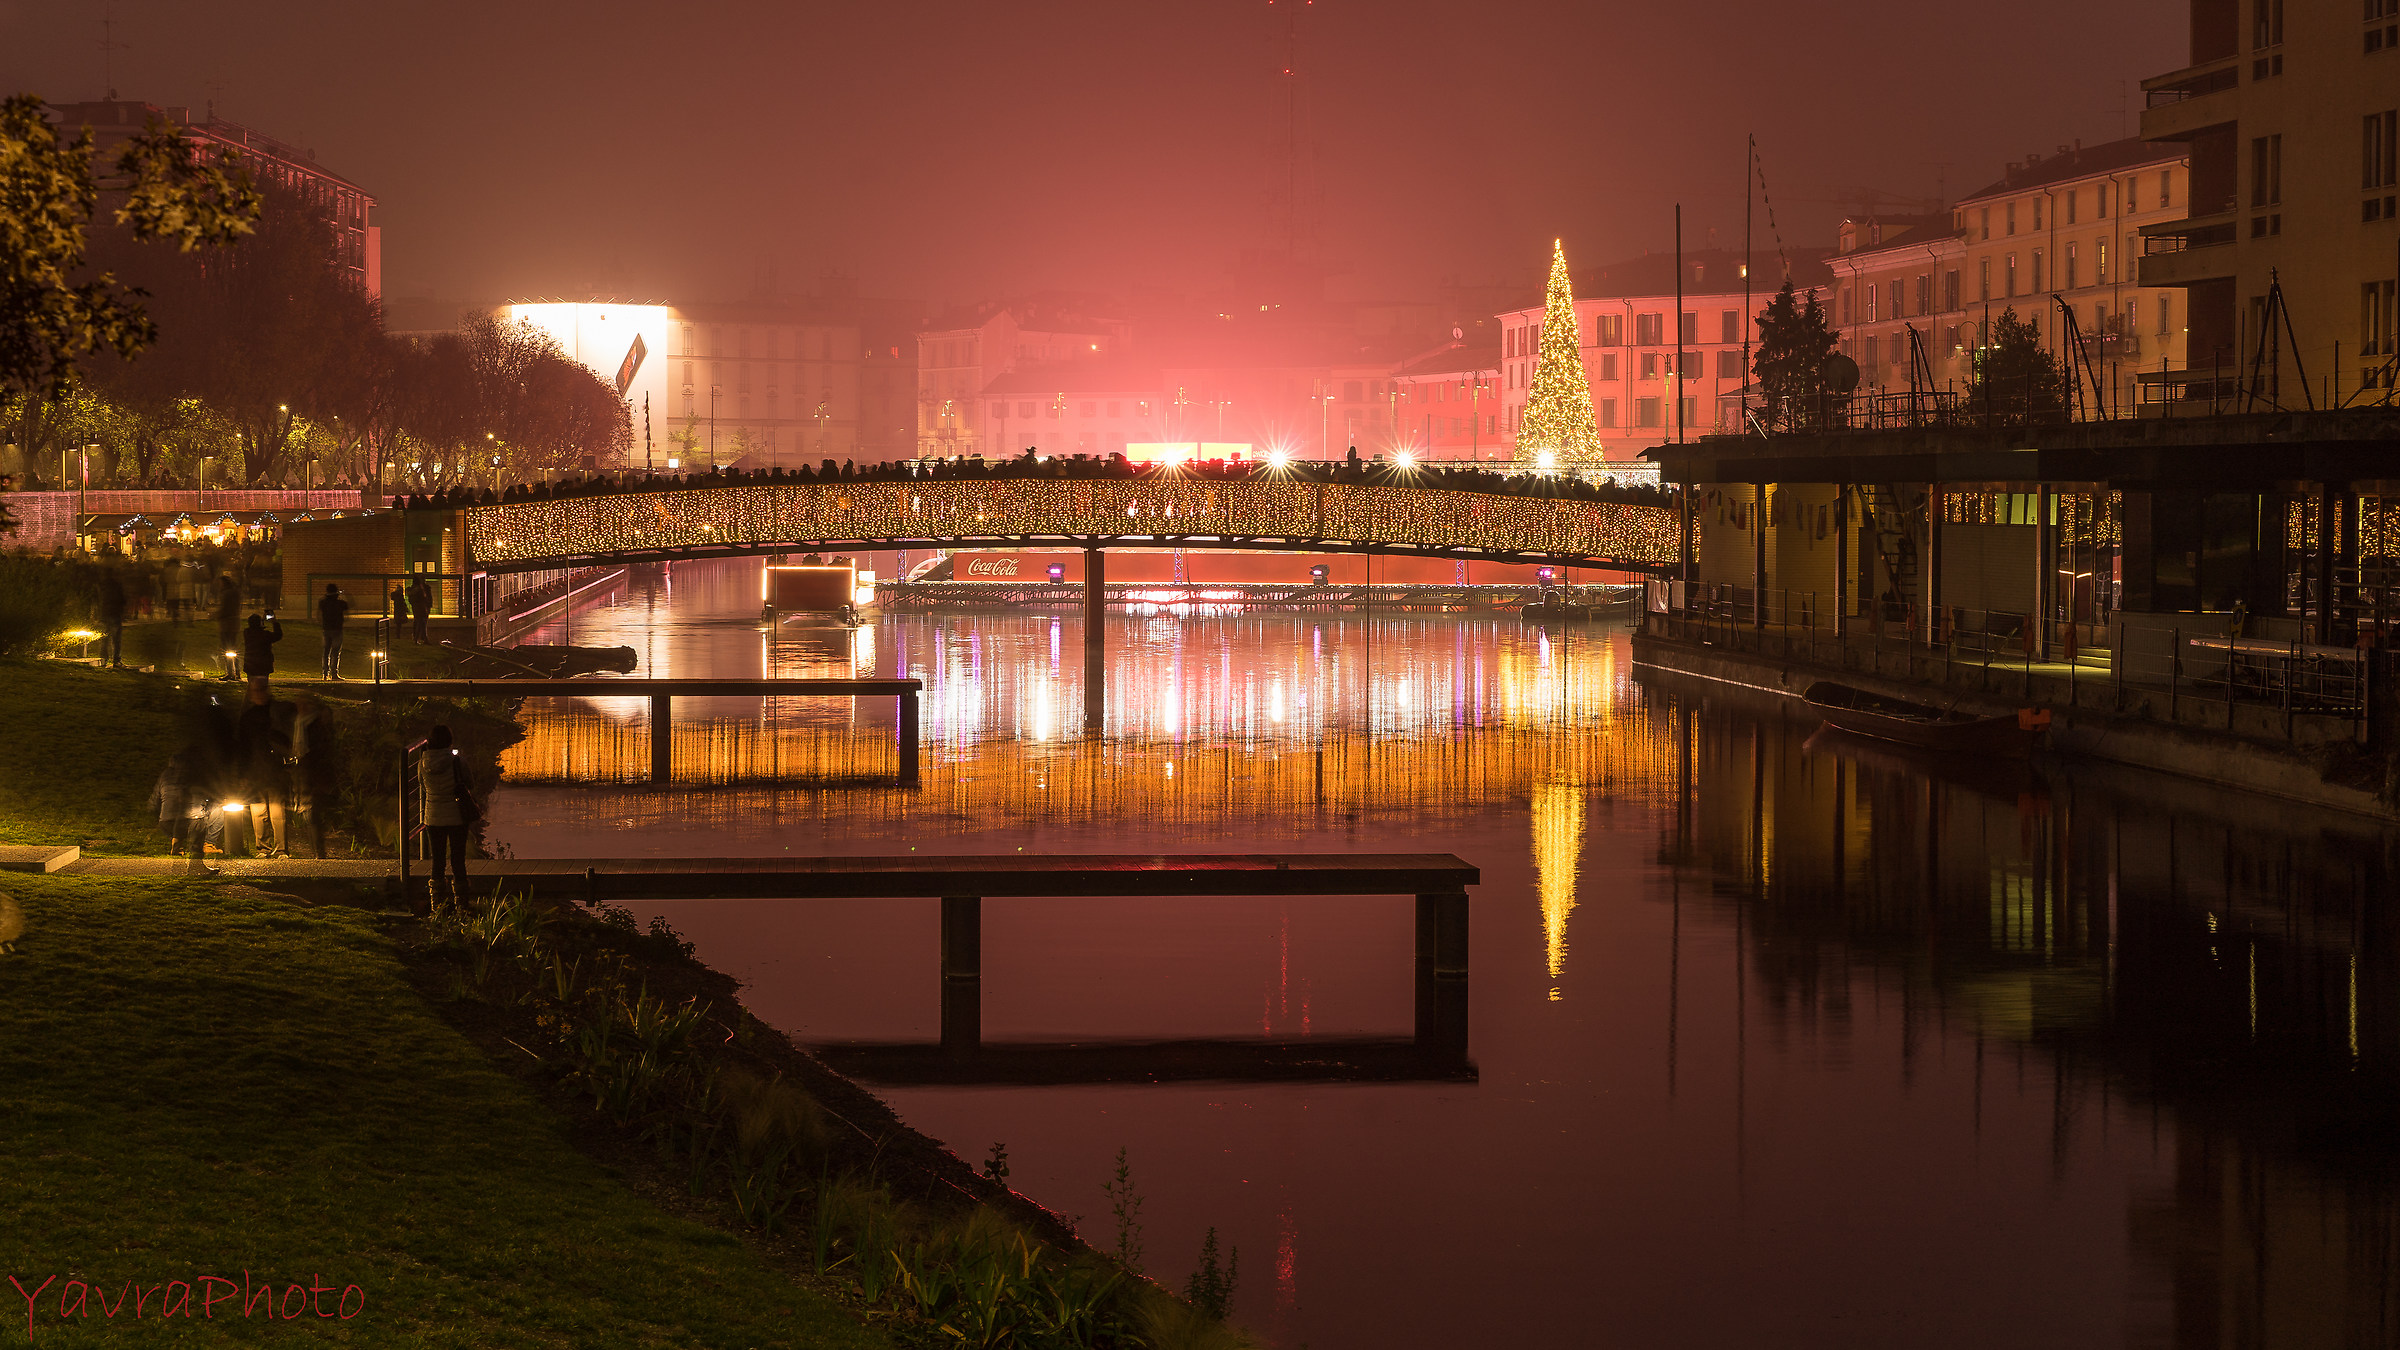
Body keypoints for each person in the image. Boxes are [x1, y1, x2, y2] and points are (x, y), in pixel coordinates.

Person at [414, 724, 478, 907]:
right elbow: (470, 783)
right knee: (458, 859)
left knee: (438, 859)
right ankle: (462, 903)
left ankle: (437, 904)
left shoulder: (422, 763)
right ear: (449, 741)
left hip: (433, 816)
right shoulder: (457, 761)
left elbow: (422, 785)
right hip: (457, 816)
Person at [237, 685, 292, 857]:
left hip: (271, 768)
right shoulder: (252, 716)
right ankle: (263, 847)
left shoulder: (272, 713)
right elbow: (243, 746)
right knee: (260, 809)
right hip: (258, 769)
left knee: (275, 809)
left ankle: (279, 848)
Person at [241, 611, 284, 688]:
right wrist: (274, 622)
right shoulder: (266, 635)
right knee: (263, 686)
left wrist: (262, 620)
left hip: (251, 664)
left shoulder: (247, 633)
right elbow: (278, 635)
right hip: (263, 665)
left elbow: (256, 629)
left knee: (251, 686)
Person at [317, 583, 351, 680]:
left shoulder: (322, 602)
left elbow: (318, 615)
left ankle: (325, 673)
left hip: (326, 629)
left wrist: (322, 623)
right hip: (337, 629)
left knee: (326, 652)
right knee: (335, 652)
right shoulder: (340, 603)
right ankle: (334, 674)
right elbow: (348, 610)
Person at [97, 569, 127, 668]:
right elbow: (122, 600)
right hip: (115, 613)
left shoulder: (101, 586)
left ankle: (103, 659)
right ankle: (117, 660)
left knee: (104, 638)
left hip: (105, 614)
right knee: (116, 639)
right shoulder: (117, 586)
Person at [214, 575, 242, 680]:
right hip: (235, 623)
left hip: (227, 624)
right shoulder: (236, 593)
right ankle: (237, 672)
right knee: (234, 648)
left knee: (227, 649)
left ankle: (230, 673)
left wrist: (215, 615)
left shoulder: (226, 594)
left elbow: (225, 609)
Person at [407, 576, 433, 644]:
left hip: (416, 608)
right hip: (422, 608)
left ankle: (418, 638)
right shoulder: (421, 589)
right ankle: (420, 638)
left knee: (418, 622)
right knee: (421, 622)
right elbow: (425, 598)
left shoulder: (412, 589)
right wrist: (428, 606)